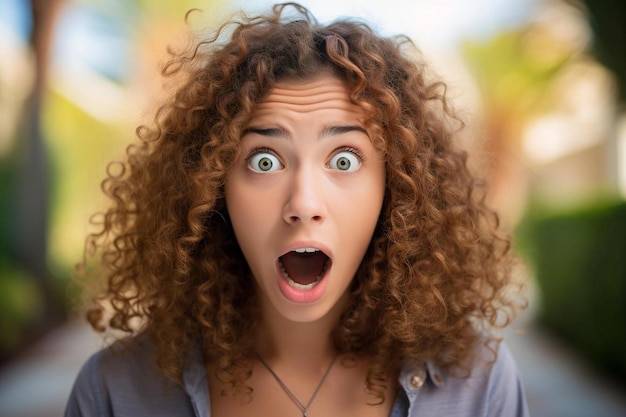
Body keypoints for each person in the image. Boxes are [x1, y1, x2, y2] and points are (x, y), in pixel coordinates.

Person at [65, 2, 529, 416]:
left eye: (344, 160)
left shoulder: (477, 384)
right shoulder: (115, 391)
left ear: (396, 188)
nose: (304, 204)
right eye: (265, 161)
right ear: (211, 187)